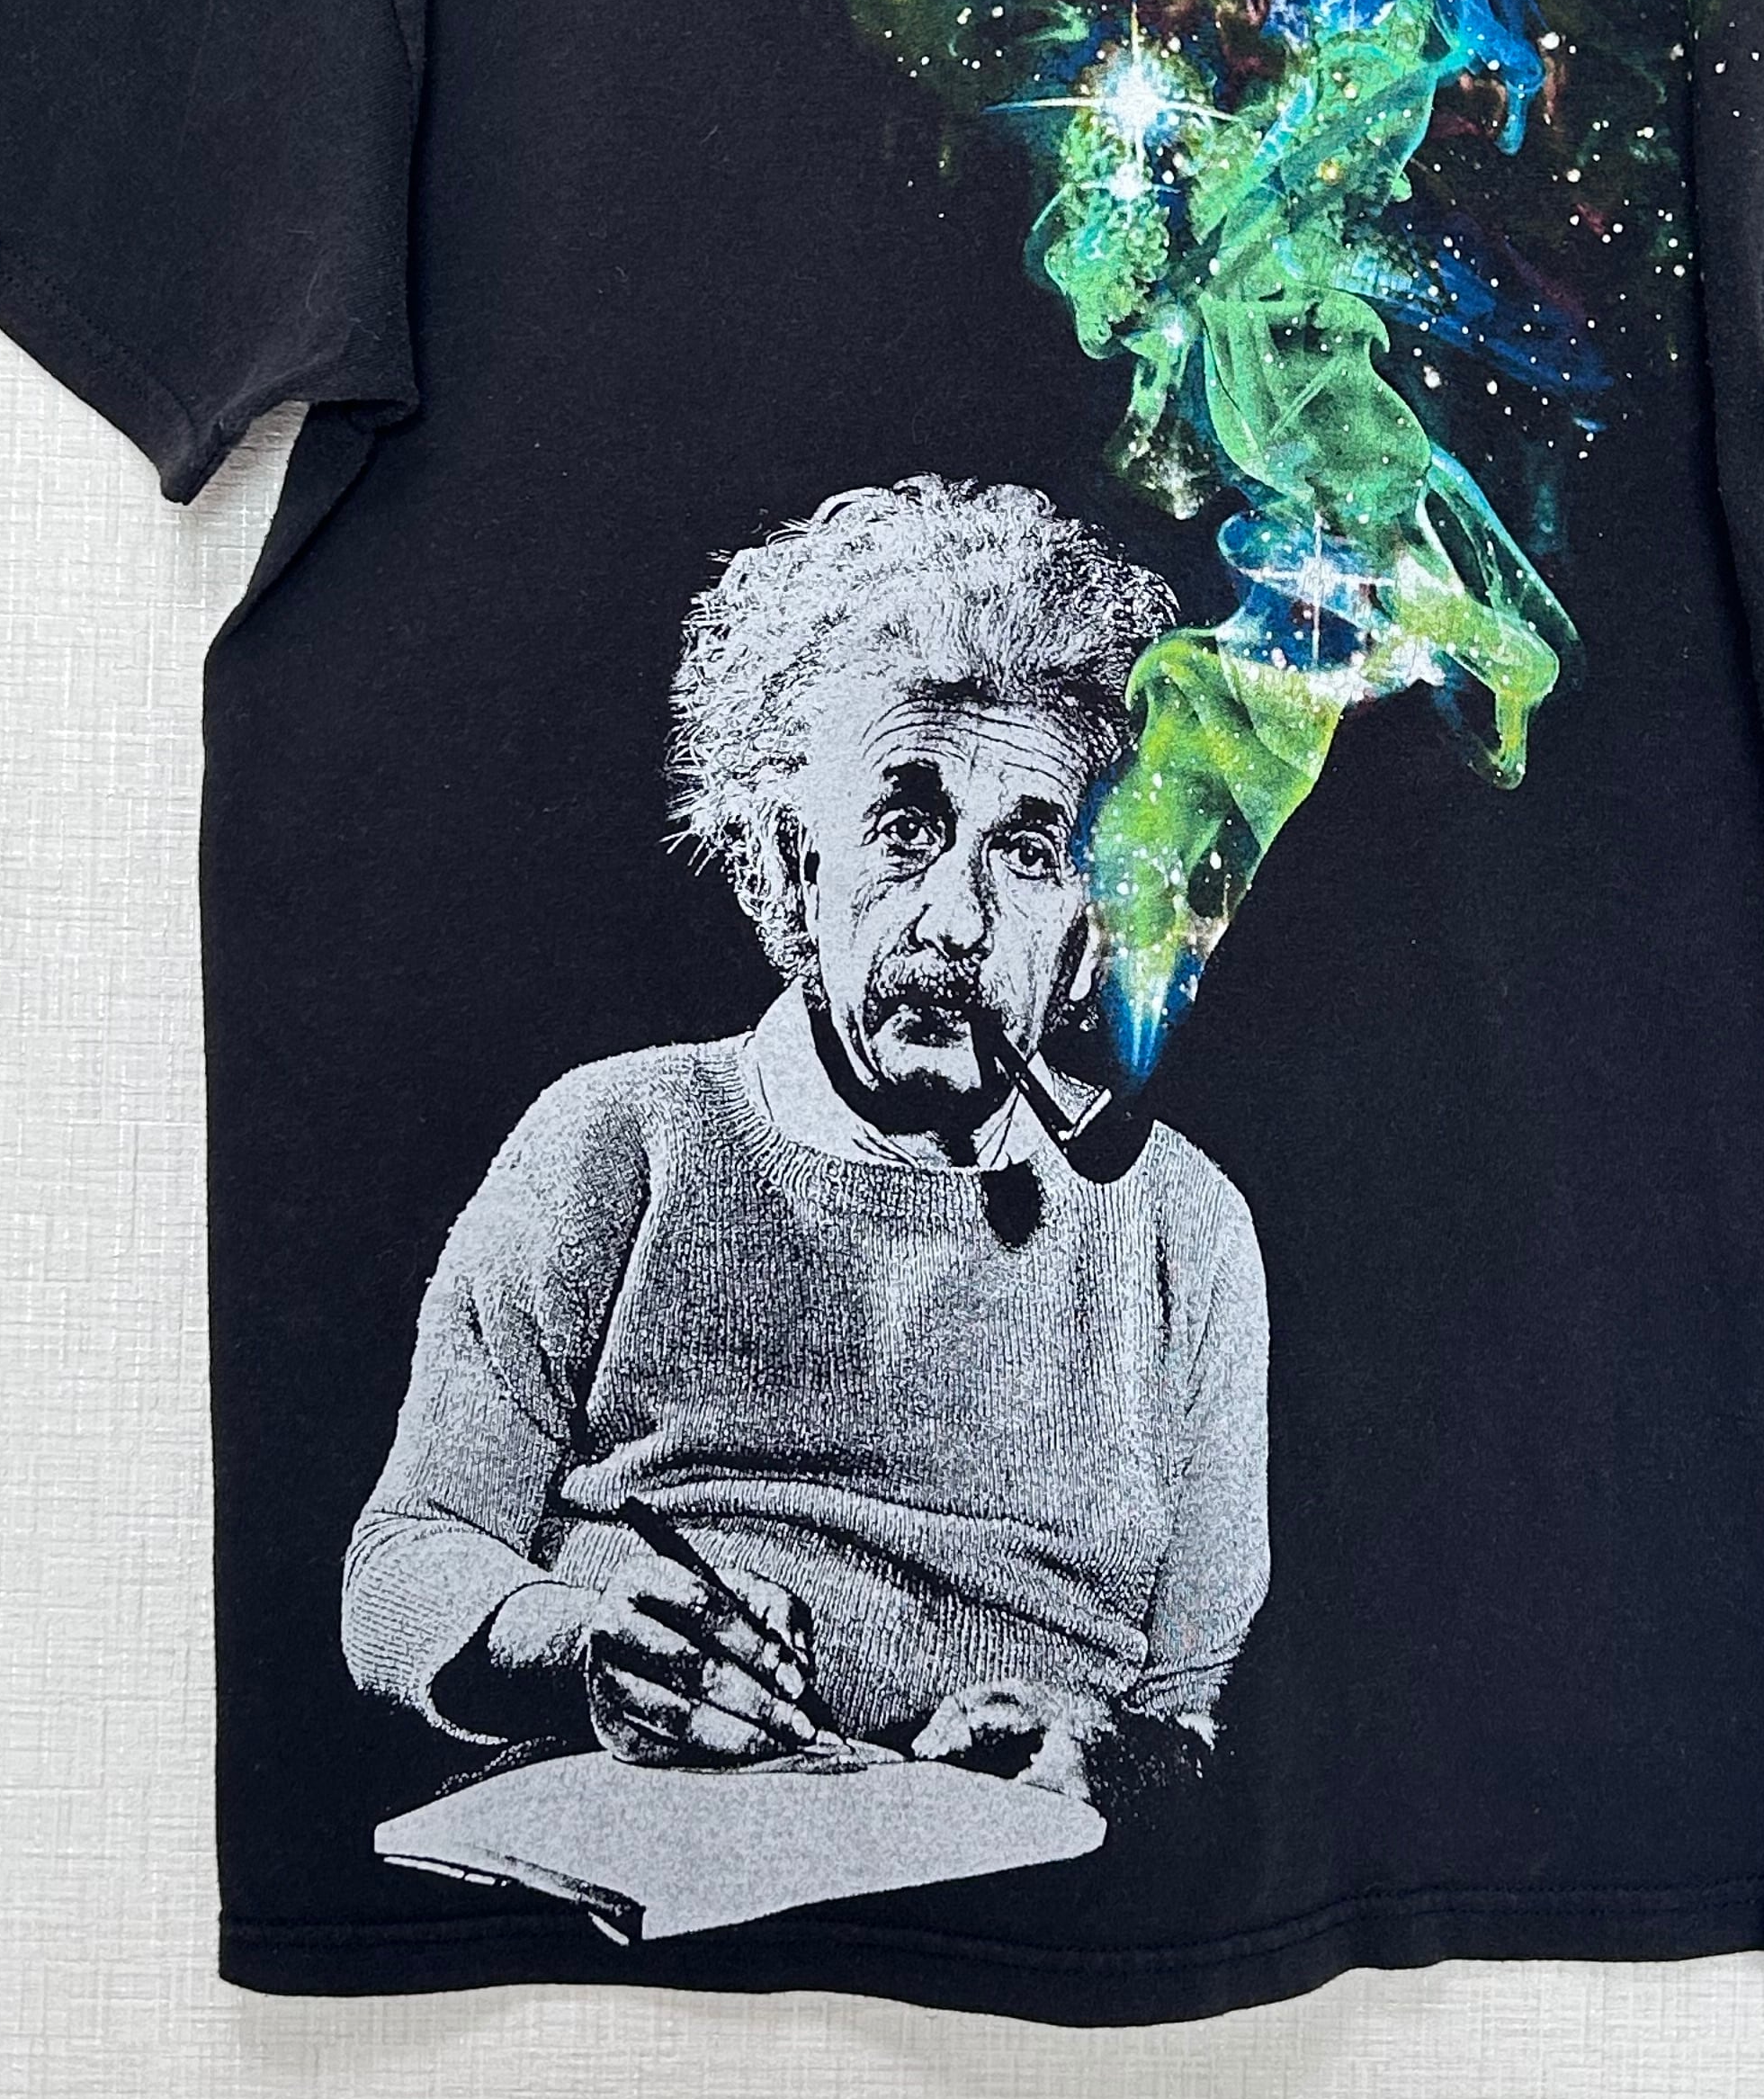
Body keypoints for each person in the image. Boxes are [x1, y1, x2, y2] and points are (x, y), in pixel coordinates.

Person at [341, 476, 1274, 1843]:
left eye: (1028, 853)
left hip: (1018, 1887)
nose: (956, 923)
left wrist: (1106, 1758)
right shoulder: (619, 1141)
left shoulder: (1183, 1227)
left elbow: (1208, 1709)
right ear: (790, 862)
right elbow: (401, 1566)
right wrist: (580, 1641)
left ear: (1089, 918)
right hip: (636, 1853)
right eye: (905, 830)